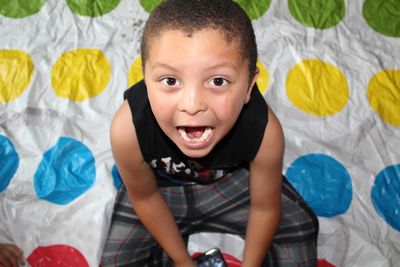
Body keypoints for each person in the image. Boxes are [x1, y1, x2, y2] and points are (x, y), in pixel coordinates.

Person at [101, 0, 318, 266]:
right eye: (170, 81)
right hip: (160, 190)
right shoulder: (128, 130)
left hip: (233, 184)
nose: (192, 106)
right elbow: (144, 197)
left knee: (299, 225)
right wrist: (182, 261)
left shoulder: (264, 132)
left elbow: (264, 208)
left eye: (218, 81)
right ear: (145, 80)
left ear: (250, 86)